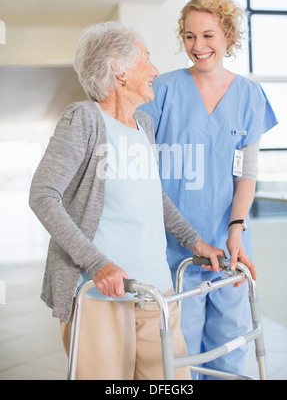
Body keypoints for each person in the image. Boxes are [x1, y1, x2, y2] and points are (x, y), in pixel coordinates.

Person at [29, 21, 225, 380]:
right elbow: (43, 195)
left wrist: (194, 241)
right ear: (119, 70)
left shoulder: (143, 124)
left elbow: (156, 197)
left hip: (155, 289)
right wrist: (98, 264)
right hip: (100, 294)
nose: (155, 71)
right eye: (146, 60)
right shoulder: (84, 120)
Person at [138, 0, 278, 379]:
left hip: (230, 247)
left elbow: (245, 173)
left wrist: (237, 227)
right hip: (173, 248)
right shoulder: (161, 91)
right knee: (181, 354)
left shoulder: (249, 95)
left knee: (230, 350)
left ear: (228, 37)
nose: (198, 47)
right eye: (189, 36)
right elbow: (141, 171)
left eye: (208, 36)